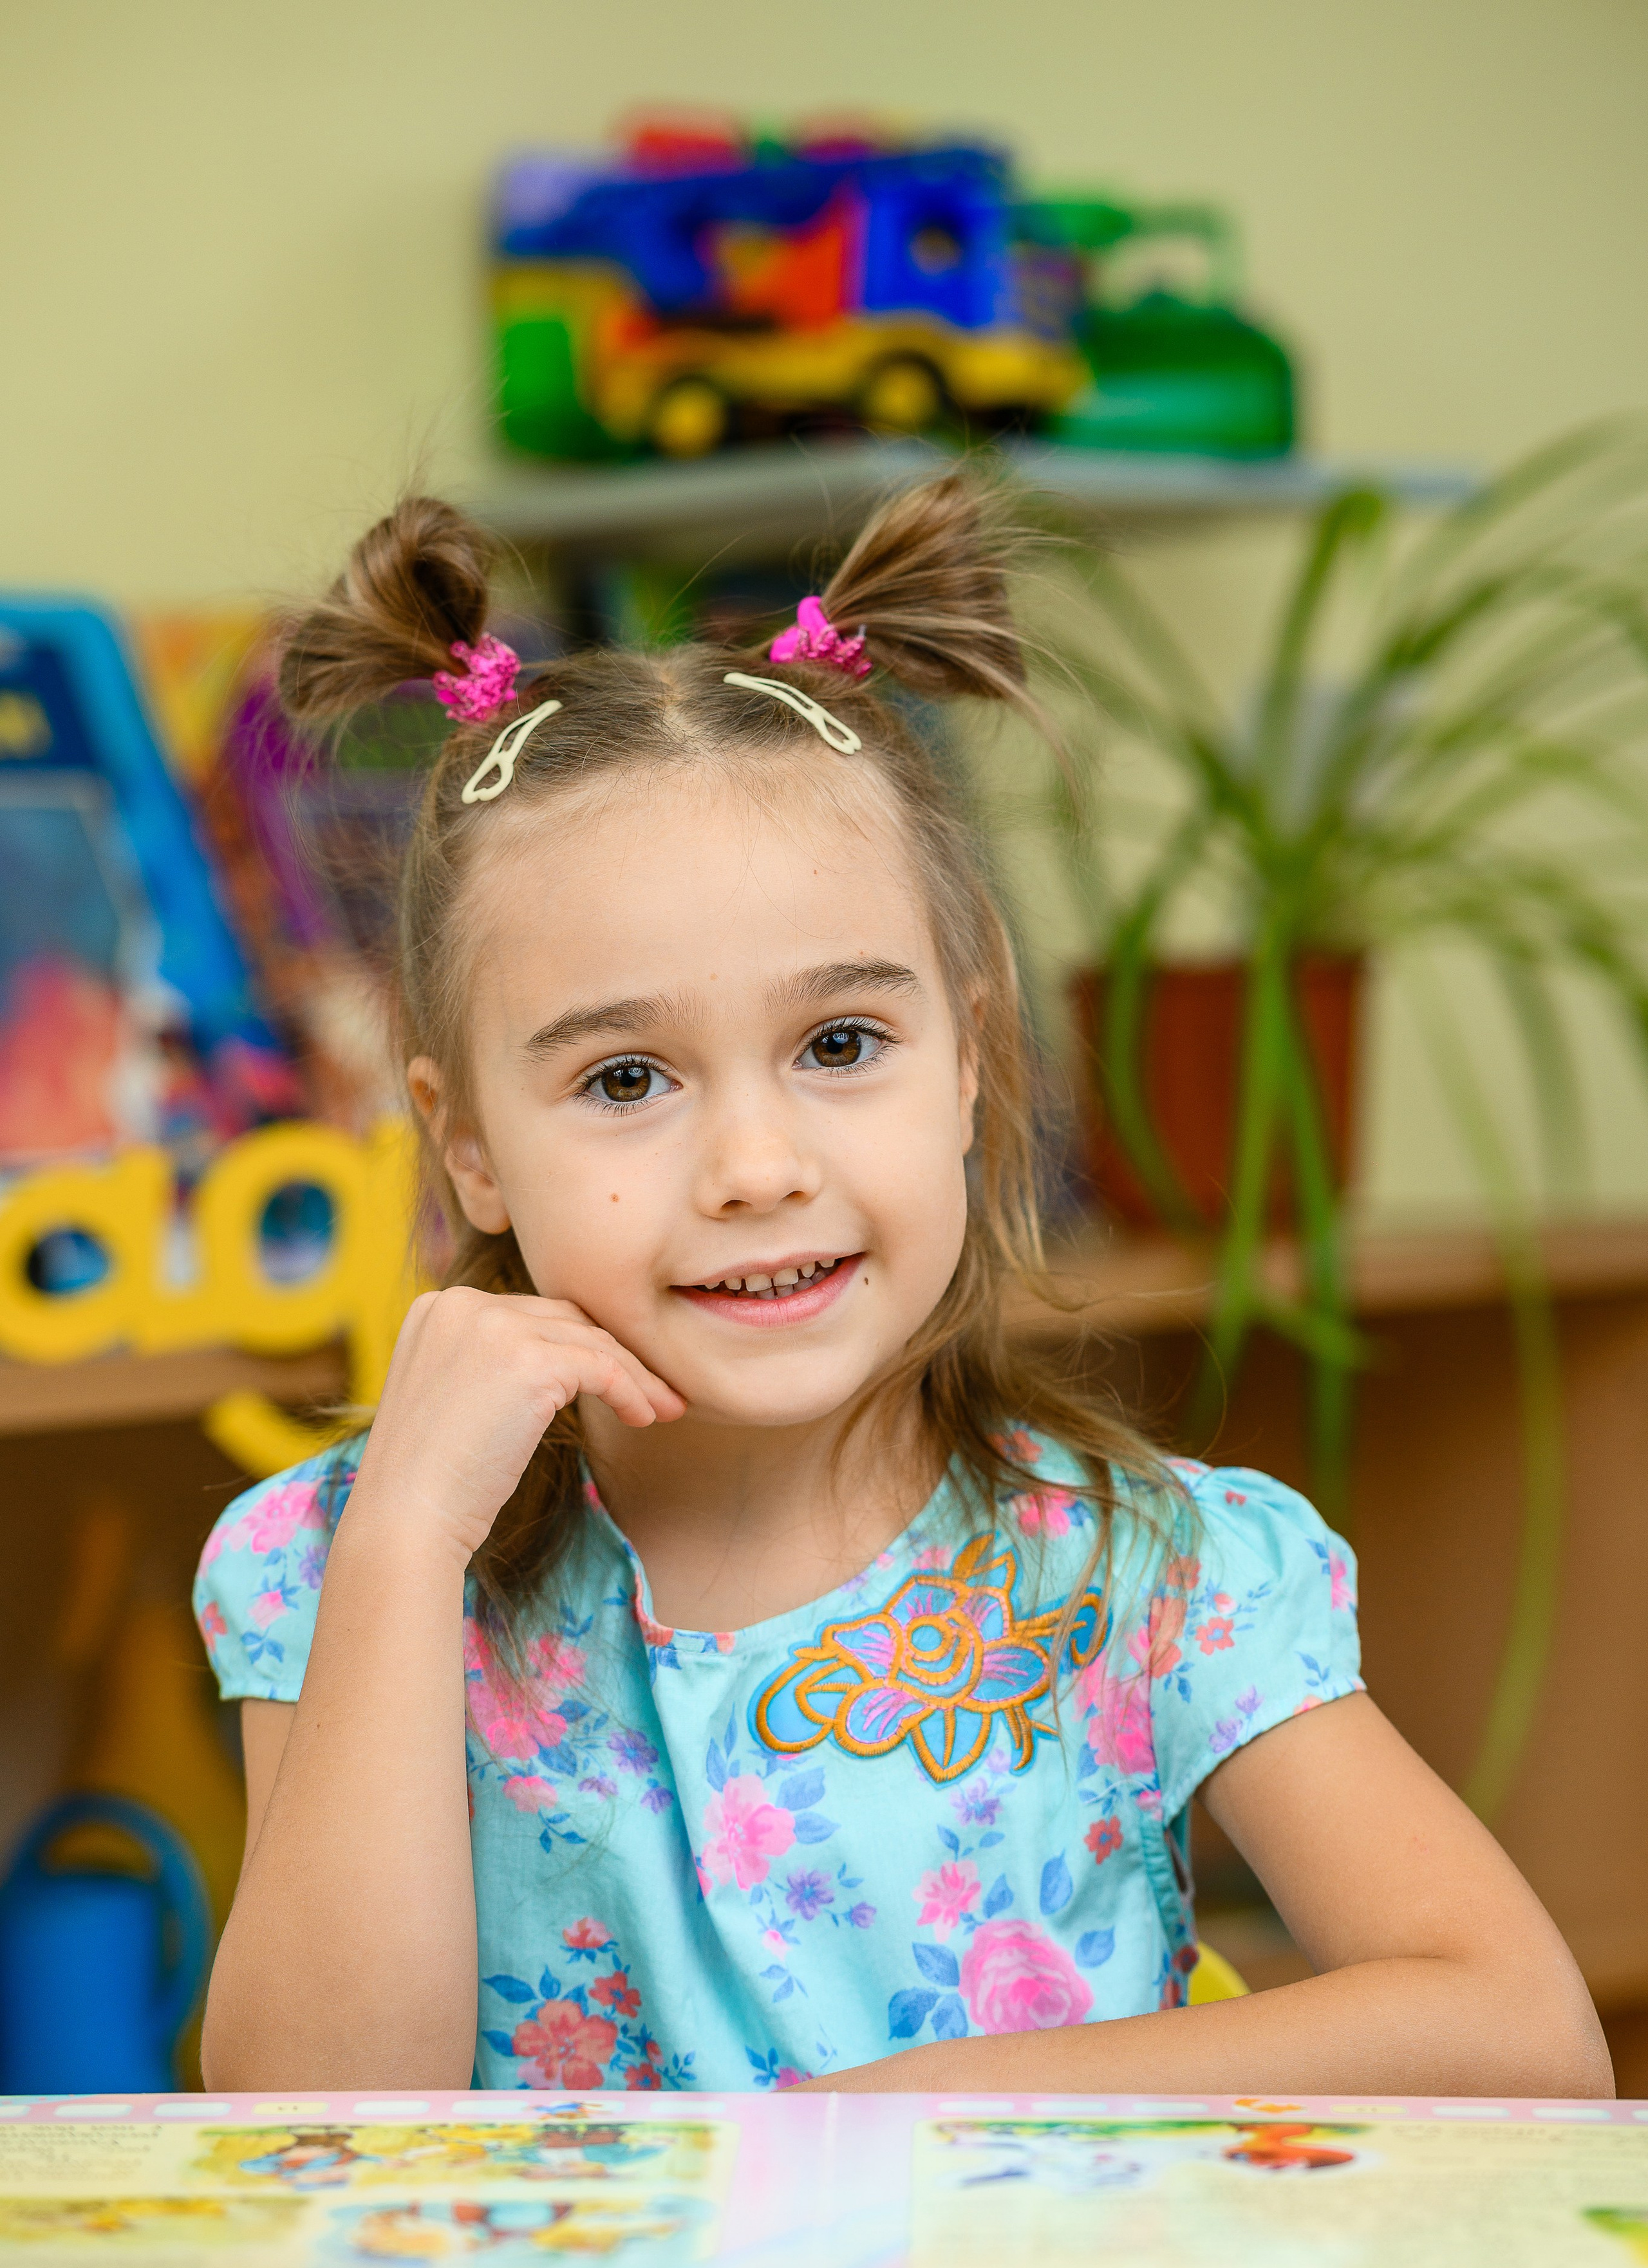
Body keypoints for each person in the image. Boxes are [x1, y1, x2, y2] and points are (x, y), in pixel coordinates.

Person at [195, 475, 1609, 2100]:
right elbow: (312, 2133)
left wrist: (872, 2126)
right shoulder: (337, 1566)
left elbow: (1520, 2040)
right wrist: (404, 1548)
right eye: (625, 1079)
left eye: (841, 1045)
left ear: (969, 1064)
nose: (752, 1163)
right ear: (468, 1150)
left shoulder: (1144, 1569)